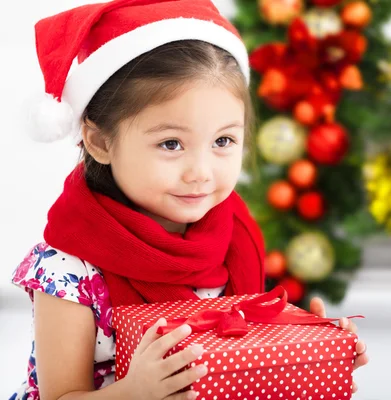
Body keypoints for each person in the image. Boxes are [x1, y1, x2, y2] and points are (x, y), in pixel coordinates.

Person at [10, 0, 369, 399]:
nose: (200, 171)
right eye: (171, 143)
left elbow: (234, 364)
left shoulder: (233, 236)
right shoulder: (68, 268)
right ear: (99, 141)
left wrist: (303, 354)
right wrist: (136, 392)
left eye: (223, 141)